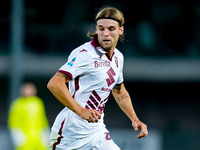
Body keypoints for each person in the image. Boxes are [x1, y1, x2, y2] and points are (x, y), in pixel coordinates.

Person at [47, 6, 148, 150]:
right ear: (96, 29)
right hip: (70, 135)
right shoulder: (85, 53)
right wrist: (81, 111)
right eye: (101, 28)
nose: (105, 33)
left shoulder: (118, 57)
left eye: (111, 29)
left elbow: (119, 91)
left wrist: (134, 118)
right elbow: (54, 84)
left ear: (121, 30)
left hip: (97, 133)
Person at [8, 82, 50, 150]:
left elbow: (42, 119)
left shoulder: (38, 102)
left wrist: (45, 132)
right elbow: (13, 121)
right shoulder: (17, 104)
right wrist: (17, 135)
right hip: (25, 138)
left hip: (38, 138)